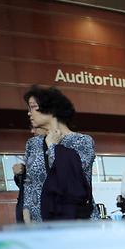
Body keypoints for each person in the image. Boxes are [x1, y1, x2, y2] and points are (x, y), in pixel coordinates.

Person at [21, 86, 97, 222]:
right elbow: (29, 184)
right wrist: (27, 219)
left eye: (32, 107)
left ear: (51, 109)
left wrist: (52, 146)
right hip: (40, 224)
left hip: (74, 222)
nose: (28, 113)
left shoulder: (82, 141)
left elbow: (71, 179)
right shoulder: (32, 144)